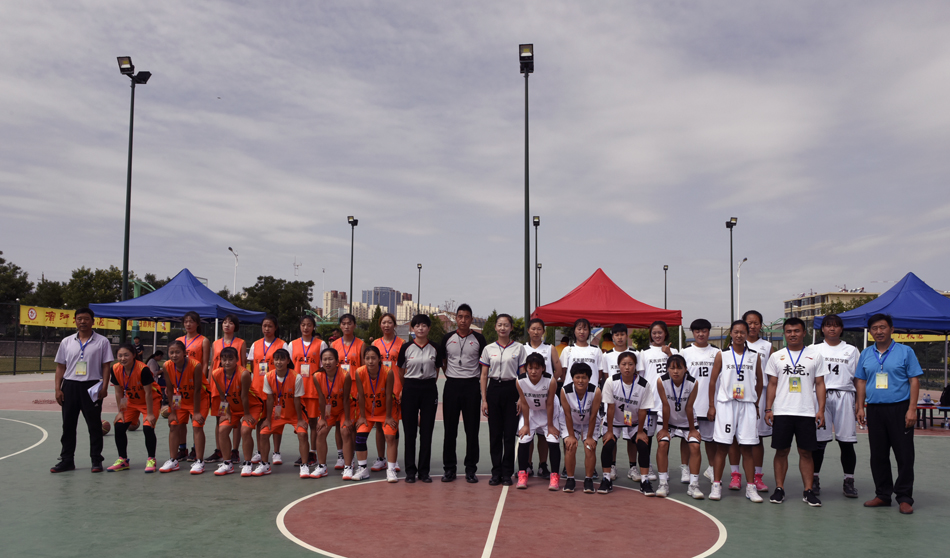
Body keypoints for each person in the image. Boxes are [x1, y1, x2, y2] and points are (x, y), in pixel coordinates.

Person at [856, 313, 922, 515]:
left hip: (899, 409)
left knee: (904, 454)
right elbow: (861, 381)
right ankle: (883, 495)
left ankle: (904, 497)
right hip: (875, 409)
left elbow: (914, 380)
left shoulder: (905, 351)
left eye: (883, 327)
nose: (879, 331)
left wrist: (912, 409)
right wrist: (860, 406)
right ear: (870, 332)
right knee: (878, 455)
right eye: (874, 328)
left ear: (891, 329)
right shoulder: (866, 353)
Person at [764, 318, 826, 507]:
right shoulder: (777, 356)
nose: (793, 334)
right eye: (789, 331)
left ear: (804, 333)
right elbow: (772, 384)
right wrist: (768, 408)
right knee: (781, 451)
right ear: (784, 333)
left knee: (806, 452)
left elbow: (820, 384)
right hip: (782, 411)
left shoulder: (815, 356)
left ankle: (808, 490)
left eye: (797, 331)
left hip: (806, 411)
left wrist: (821, 409)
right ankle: (779, 488)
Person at [51, 307, 113, 473]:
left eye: (86, 319)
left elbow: (106, 366)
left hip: (92, 386)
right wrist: (58, 389)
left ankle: (96, 460)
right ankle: (67, 460)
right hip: (70, 386)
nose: (83, 322)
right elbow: (60, 367)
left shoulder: (102, 342)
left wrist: (104, 386)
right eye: (79, 319)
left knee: (94, 425)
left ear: (93, 321)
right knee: (68, 425)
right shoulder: (66, 342)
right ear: (75, 321)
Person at [707, 320, 763, 502]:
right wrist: (712, 405)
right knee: (722, 447)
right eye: (736, 332)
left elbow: (760, 381)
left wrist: (756, 403)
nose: (739, 335)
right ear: (731, 333)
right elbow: (712, 382)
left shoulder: (754, 356)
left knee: (747, 448)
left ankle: (751, 487)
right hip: (726, 404)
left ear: (747, 334)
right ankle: (716, 485)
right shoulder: (722, 355)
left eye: (742, 332)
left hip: (747, 405)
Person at [813, 313, 860, 498]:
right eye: (828, 325)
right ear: (822, 329)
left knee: (846, 442)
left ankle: (849, 480)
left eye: (836, 325)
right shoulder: (813, 349)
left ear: (841, 329)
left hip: (844, 395)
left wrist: (860, 404)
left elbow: (858, 379)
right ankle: (814, 479)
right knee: (819, 442)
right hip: (819, 397)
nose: (832, 328)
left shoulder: (852, 350)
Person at [440, 304, 486, 483]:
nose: (463, 320)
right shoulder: (447, 338)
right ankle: (449, 469)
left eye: (467, 317)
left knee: (472, 430)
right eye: (460, 316)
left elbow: (483, 365)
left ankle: (471, 469)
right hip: (452, 386)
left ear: (471, 319)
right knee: (450, 430)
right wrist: (451, 375)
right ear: (456, 318)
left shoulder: (479, 339)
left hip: (471, 386)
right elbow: (443, 362)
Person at [397, 314, 445, 483]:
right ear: (413, 328)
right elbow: (400, 371)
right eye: (417, 325)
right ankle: (410, 471)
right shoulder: (406, 347)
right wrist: (405, 387)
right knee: (409, 432)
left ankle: (424, 472)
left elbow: (437, 370)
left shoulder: (435, 348)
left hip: (429, 389)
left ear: (429, 328)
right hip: (410, 388)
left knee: (426, 432)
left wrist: (428, 383)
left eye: (424, 325)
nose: (420, 328)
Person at [479, 314, 526, 486]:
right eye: (499, 325)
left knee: (509, 434)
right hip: (494, 390)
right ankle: (496, 472)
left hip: (511, 389)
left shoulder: (519, 348)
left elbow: (522, 375)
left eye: (506, 325)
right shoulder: (488, 349)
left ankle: (507, 473)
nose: (502, 328)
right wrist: (484, 399)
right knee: (495, 434)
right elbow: (484, 375)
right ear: (495, 327)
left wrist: (521, 397)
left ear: (511, 328)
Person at [599, 351, 653, 495]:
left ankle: (645, 481)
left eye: (630, 364)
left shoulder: (644, 384)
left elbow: (643, 410)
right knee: (608, 444)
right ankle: (606, 479)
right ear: (619, 366)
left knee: (643, 445)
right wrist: (609, 431)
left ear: (636, 366)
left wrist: (640, 432)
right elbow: (610, 408)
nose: (627, 367)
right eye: (624, 364)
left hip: (635, 422)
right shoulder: (611, 381)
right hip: (615, 420)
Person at [519, 317, 563, 479]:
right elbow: (521, 373)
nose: (536, 332)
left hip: (546, 397)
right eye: (533, 329)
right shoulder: (522, 349)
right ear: (528, 331)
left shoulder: (550, 348)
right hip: (529, 396)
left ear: (543, 331)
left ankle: (543, 465)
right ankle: (527, 464)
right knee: (528, 433)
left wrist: (548, 385)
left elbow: (559, 370)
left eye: (539, 329)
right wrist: (527, 391)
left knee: (544, 435)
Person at [106, 343, 160, 473]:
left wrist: (150, 414)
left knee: (148, 427)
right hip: (130, 401)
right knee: (119, 426)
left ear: (134, 355)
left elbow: (148, 393)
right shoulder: (115, 369)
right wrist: (120, 412)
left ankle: (151, 459)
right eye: (120, 355)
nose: (122, 358)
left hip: (149, 401)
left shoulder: (143, 369)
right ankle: (123, 460)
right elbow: (118, 392)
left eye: (126, 355)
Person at [656, 355, 704, 499]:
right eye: (672, 368)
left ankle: (694, 485)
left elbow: (689, 407)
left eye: (679, 368)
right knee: (663, 444)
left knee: (695, 446)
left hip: (686, 420)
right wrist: (665, 429)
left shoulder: (693, 383)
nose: (675, 371)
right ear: (667, 369)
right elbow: (665, 405)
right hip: (667, 419)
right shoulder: (661, 381)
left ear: (685, 369)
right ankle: (663, 483)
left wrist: (692, 429)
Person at [682, 318, 722, 485]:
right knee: (686, 438)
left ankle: (711, 468)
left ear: (708, 332)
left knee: (710, 439)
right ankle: (685, 468)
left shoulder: (717, 352)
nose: (700, 334)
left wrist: (713, 404)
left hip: (709, 403)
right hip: (690, 404)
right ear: (692, 333)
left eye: (704, 331)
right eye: (697, 331)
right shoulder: (685, 352)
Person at [159, 340, 209, 474]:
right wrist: (172, 412)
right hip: (179, 398)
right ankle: (173, 460)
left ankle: (199, 461)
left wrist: (196, 412)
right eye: (171, 352)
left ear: (184, 353)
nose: (174, 355)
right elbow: (170, 389)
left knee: (197, 425)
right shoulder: (167, 366)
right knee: (173, 425)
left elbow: (197, 390)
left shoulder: (195, 365)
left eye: (177, 352)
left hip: (198, 399)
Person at [637, 321, 677, 481]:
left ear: (665, 333)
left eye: (660, 332)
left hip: (666, 402)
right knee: (647, 437)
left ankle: (663, 468)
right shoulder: (644, 353)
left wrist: (669, 354)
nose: (657, 335)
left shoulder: (673, 351)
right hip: (650, 401)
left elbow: (678, 370)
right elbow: (640, 377)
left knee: (664, 438)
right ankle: (647, 467)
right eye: (654, 333)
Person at [257, 349, 308, 477]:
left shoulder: (296, 377)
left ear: (288, 361)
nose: (279, 362)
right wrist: (268, 419)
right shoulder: (268, 376)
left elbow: (297, 400)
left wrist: (300, 420)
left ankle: (304, 465)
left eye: (282, 359)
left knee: (302, 434)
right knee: (263, 433)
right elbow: (269, 400)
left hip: (295, 413)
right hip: (277, 413)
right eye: (276, 359)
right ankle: (265, 464)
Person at [515, 352, 561, 490]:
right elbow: (524, 402)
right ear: (526, 368)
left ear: (543, 368)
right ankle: (522, 474)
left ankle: (554, 476)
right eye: (530, 368)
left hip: (548, 413)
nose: (533, 371)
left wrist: (550, 425)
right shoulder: (520, 381)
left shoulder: (550, 381)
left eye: (537, 368)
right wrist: (526, 425)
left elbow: (550, 404)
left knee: (553, 441)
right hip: (531, 412)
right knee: (524, 439)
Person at [353, 346, 399, 481]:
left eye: (373, 358)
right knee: (360, 437)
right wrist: (362, 416)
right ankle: (363, 469)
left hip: (386, 410)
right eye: (367, 358)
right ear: (364, 360)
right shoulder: (359, 372)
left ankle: (391, 469)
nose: (370, 361)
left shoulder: (388, 372)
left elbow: (389, 396)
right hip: (367, 411)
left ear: (379, 359)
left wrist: (389, 416)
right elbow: (361, 395)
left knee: (390, 436)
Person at [209, 347, 257, 476]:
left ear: (237, 359)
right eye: (224, 359)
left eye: (231, 359)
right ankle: (227, 463)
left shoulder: (244, 374)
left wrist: (246, 414)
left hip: (250, 407)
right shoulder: (216, 374)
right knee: (222, 430)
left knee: (245, 430)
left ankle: (247, 463)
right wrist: (226, 412)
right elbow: (222, 395)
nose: (227, 362)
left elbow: (244, 396)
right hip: (233, 407)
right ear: (220, 360)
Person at [601, 324, 639, 482]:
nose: (620, 337)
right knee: (612, 435)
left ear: (626, 336)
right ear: (613, 337)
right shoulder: (607, 356)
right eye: (616, 335)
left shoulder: (635, 353)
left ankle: (632, 467)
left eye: (622, 334)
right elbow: (605, 377)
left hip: (629, 404)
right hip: (613, 404)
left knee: (630, 436)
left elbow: (638, 377)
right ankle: (612, 466)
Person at [247, 314, 286, 464]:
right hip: (257, 389)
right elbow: (251, 366)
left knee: (276, 420)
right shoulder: (255, 344)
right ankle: (259, 451)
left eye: (270, 326)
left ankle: (276, 452)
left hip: (276, 388)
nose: (267, 328)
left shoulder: (282, 344)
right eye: (264, 326)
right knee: (260, 421)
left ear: (275, 327)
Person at [208, 314, 247, 464]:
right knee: (220, 417)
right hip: (218, 385)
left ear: (235, 326)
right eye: (224, 322)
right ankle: (219, 449)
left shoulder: (240, 342)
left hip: (234, 385)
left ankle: (235, 450)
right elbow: (213, 364)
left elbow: (243, 364)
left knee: (235, 417)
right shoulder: (216, 343)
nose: (227, 324)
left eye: (230, 322)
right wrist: (209, 383)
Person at [743, 310, 774, 493]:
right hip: (740, 394)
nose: (752, 326)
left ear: (761, 325)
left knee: (757, 437)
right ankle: (736, 474)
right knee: (737, 437)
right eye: (749, 323)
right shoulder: (736, 343)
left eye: (756, 323)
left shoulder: (767, 346)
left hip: (760, 394)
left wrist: (769, 404)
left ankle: (758, 476)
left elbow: (771, 376)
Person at [312, 348, 355, 479]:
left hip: (344, 409)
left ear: (337, 361)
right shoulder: (317, 376)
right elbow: (321, 398)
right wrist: (322, 418)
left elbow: (346, 398)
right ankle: (322, 466)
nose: (327, 362)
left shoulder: (345, 375)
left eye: (330, 359)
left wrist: (347, 419)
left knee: (345, 431)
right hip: (328, 410)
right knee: (321, 432)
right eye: (324, 359)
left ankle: (348, 466)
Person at [289, 315, 326, 468]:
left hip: (313, 389)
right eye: (303, 324)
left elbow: (323, 367)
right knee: (300, 422)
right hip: (297, 390)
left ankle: (313, 452)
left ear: (313, 327)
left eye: (309, 325)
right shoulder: (292, 344)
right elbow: (289, 367)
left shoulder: (321, 344)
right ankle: (304, 452)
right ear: (300, 326)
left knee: (313, 422)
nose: (306, 327)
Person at [559, 363, 602, 494]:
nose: (581, 381)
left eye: (584, 377)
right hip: (571, 422)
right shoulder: (565, 391)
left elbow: (593, 415)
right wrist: (571, 436)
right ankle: (570, 479)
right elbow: (567, 414)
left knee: (590, 447)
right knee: (570, 446)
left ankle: (588, 480)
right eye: (577, 377)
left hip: (589, 422)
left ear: (589, 378)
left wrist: (589, 437)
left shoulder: (596, 391)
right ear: (572, 378)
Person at [372, 312, 405, 475]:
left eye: (389, 322)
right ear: (380, 325)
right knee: (379, 425)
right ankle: (380, 458)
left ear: (394, 325)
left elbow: (405, 368)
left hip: (395, 389)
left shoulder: (402, 344)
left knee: (393, 426)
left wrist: (403, 388)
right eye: (384, 322)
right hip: (378, 389)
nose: (386, 325)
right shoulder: (375, 343)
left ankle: (393, 458)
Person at [177, 311, 212, 463]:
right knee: (179, 420)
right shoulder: (179, 340)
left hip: (195, 384)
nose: (188, 324)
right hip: (180, 385)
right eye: (186, 321)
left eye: (191, 321)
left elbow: (204, 363)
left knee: (196, 419)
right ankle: (182, 448)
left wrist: (200, 380)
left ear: (197, 323)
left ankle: (194, 448)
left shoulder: (203, 340)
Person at [331, 313, 364, 470]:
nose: (346, 326)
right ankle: (341, 455)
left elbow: (363, 370)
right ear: (340, 326)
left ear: (354, 325)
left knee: (352, 425)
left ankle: (353, 455)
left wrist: (361, 390)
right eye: (343, 323)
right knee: (339, 424)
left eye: (349, 323)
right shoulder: (334, 345)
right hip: (338, 388)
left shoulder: (361, 345)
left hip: (354, 389)